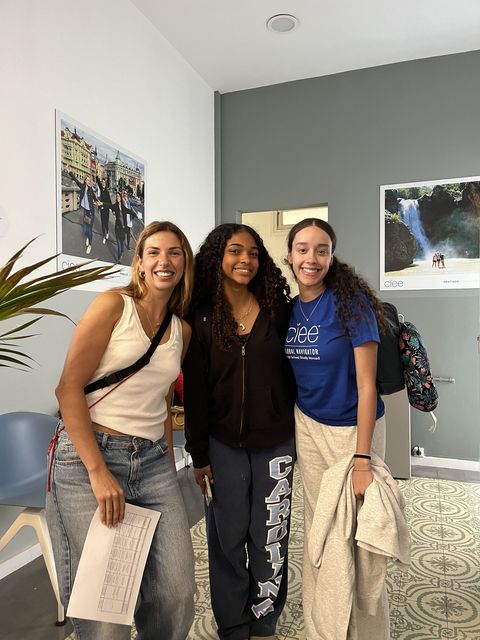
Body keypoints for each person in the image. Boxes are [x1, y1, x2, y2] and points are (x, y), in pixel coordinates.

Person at [46, 221, 196, 640]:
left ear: (185, 263)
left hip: (151, 462)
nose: (164, 261)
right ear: (140, 262)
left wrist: (166, 461)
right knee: (106, 609)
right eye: (154, 252)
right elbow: (68, 388)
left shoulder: (181, 330)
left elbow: (164, 402)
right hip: (89, 457)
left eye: (174, 253)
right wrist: (98, 472)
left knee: (176, 592)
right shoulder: (114, 305)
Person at [183, 223, 296, 640]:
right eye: (234, 251)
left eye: (252, 252)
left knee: (269, 537)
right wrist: (199, 455)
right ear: (218, 258)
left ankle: (265, 621)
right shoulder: (201, 319)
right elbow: (194, 393)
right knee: (226, 540)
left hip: (277, 442)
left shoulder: (278, 312)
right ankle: (233, 624)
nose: (245, 259)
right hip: (221, 446)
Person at [284, 218, 388, 639]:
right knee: (321, 531)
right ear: (289, 255)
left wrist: (363, 458)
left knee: (358, 541)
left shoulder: (352, 304)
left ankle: (367, 631)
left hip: (352, 432)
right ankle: (324, 629)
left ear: (331, 256)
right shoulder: (292, 309)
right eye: (303, 249)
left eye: (321, 250)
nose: (312, 259)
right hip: (307, 428)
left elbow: (367, 386)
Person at [65, 166, 101, 255]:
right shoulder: (82, 187)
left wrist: (98, 202)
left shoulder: (91, 190)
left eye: (90, 180)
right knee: (85, 229)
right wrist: (69, 171)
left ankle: (90, 245)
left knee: (89, 229)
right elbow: (75, 179)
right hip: (85, 211)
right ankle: (88, 237)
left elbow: (95, 198)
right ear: (85, 181)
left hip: (90, 212)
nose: (89, 182)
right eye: (87, 180)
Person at [96, 176, 113, 244]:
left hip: (106, 209)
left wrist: (112, 209)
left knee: (106, 223)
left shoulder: (107, 191)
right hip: (102, 209)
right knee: (102, 223)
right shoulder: (101, 189)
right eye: (102, 182)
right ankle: (104, 236)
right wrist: (97, 176)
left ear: (105, 184)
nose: (103, 184)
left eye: (104, 183)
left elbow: (109, 202)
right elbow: (98, 182)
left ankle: (107, 231)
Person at [112, 192, 127, 262]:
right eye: (116, 196)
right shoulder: (115, 206)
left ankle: (122, 252)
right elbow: (110, 206)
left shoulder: (123, 206)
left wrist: (134, 215)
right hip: (118, 227)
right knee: (118, 244)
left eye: (118, 196)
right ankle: (119, 258)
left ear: (121, 198)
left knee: (122, 243)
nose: (117, 197)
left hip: (123, 228)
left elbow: (128, 212)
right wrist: (102, 204)